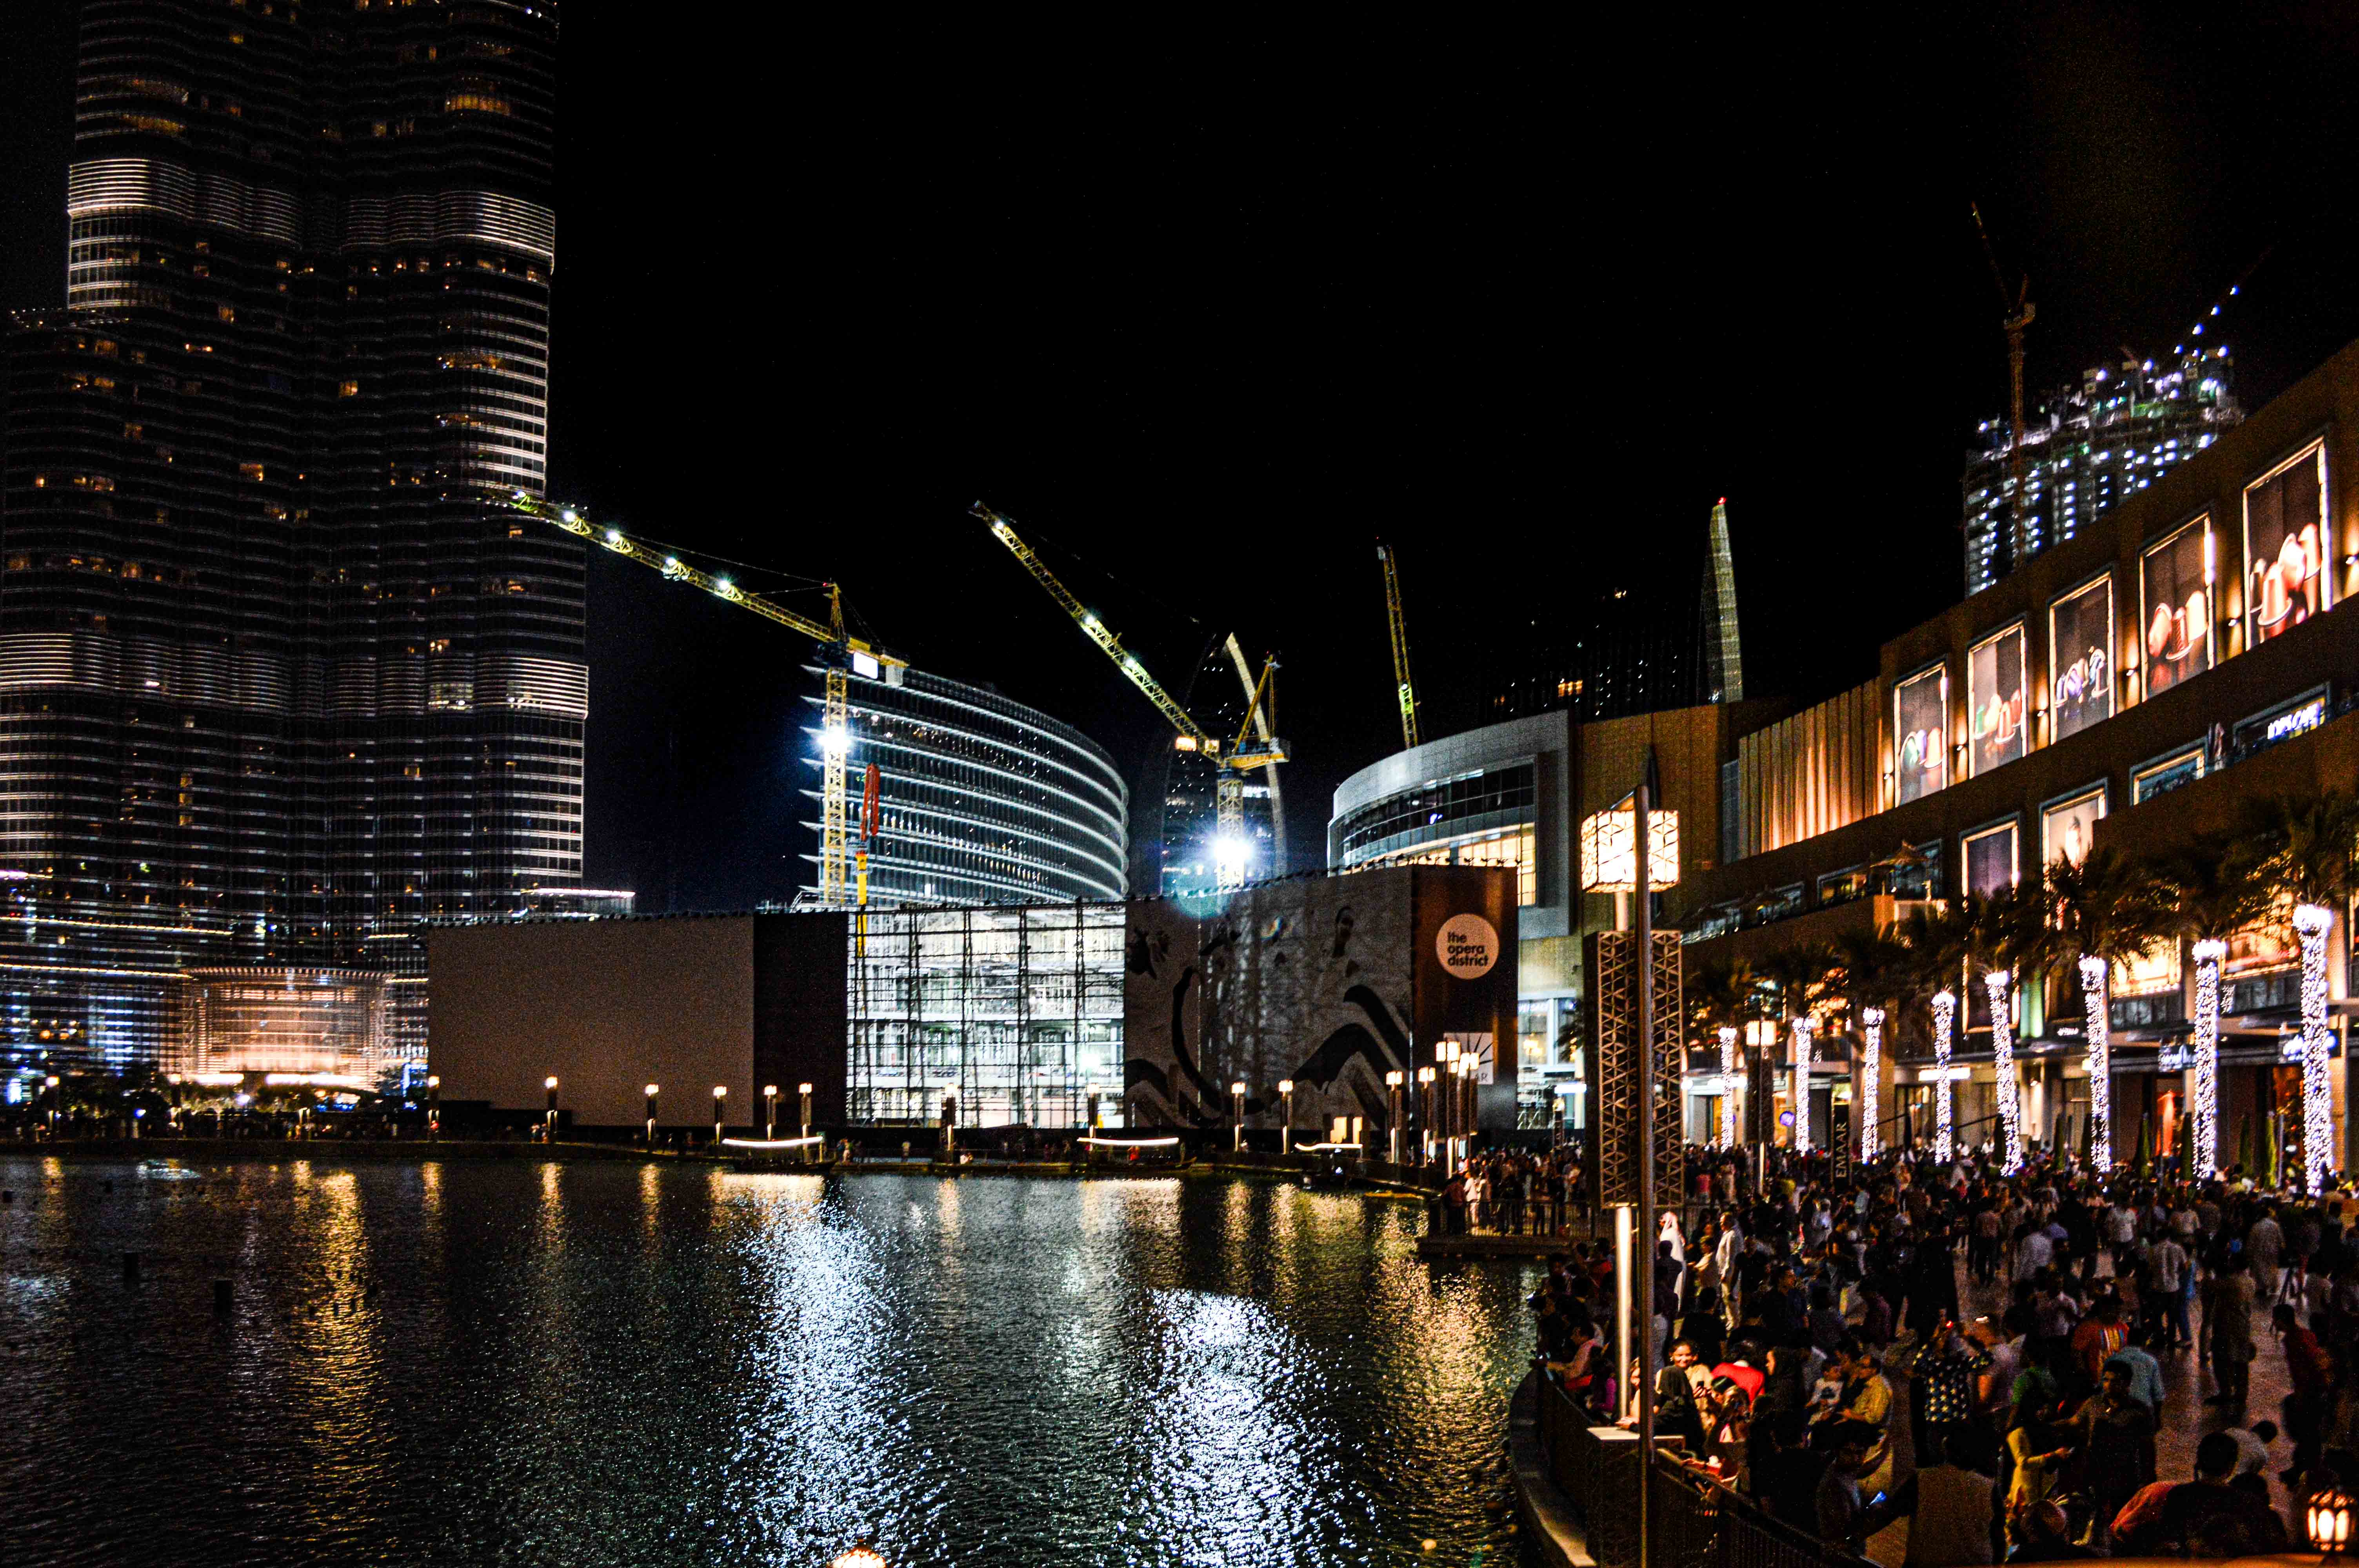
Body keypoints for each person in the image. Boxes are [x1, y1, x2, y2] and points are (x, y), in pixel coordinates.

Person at [2120, 1430, 2290, 1557]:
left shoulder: (2179, 1496)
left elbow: (2167, 1536)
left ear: (2199, 1462)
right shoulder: (2246, 1502)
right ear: (2231, 1467)